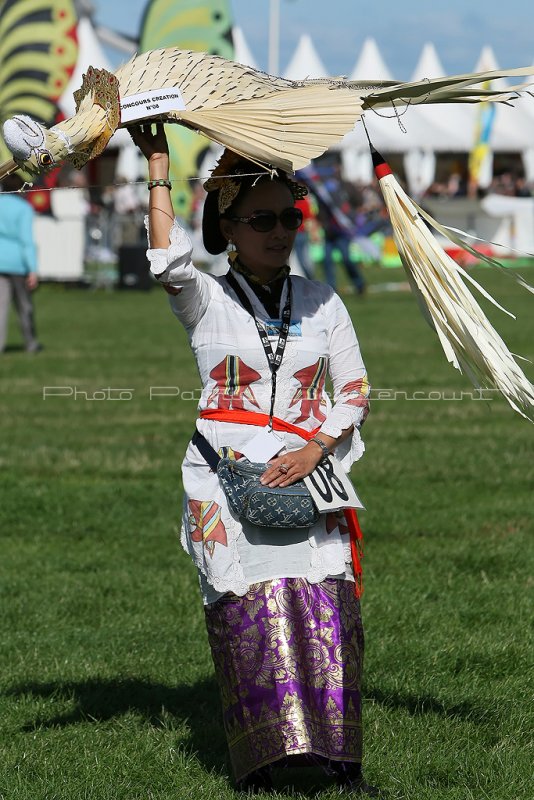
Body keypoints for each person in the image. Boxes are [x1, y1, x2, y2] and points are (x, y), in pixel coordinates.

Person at [132, 124, 375, 795]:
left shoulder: (324, 300)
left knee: (326, 606)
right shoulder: (206, 301)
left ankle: (339, 764)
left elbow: (353, 389)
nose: (278, 230)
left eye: (288, 216)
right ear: (228, 226)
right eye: (260, 218)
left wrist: (316, 446)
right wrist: (157, 159)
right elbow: (166, 261)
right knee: (251, 608)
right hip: (223, 473)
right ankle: (267, 765)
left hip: (310, 469)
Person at [0, 174, 41, 354]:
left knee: (1, 308)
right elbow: (27, 241)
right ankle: (30, 343)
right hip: (18, 262)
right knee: (24, 306)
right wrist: (33, 270)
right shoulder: (24, 208)